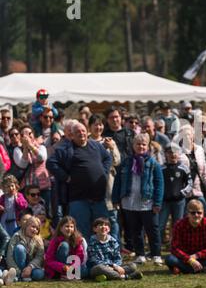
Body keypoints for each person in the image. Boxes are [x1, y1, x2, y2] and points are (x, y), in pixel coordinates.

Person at [46, 122, 112, 238]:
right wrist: (65, 177)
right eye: (77, 132)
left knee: (102, 230)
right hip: (79, 199)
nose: (81, 133)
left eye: (83, 131)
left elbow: (107, 157)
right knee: (82, 232)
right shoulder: (66, 149)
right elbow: (51, 163)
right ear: (72, 135)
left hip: (99, 199)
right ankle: (84, 256)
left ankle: (102, 255)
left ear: (87, 132)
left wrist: (104, 172)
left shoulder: (96, 146)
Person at [112, 133, 164, 265]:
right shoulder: (126, 163)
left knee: (152, 230)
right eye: (138, 144)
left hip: (148, 203)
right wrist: (116, 199)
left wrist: (157, 202)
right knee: (135, 230)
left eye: (143, 144)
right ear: (133, 145)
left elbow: (159, 184)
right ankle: (140, 254)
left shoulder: (153, 164)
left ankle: (156, 254)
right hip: (129, 202)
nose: (141, 146)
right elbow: (117, 182)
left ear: (147, 146)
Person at [165, 199, 206, 274]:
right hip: (185, 258)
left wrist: (197, 256)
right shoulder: (179, 225)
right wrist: (189, 259)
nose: (196, 215)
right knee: (170, 259)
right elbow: (174, 248)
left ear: (203, 213)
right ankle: (202, 269)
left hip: (202, 258)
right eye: (193, 213)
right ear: (187, 213)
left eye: (199, 212)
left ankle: (185, 270)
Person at [88, 114, 121, 244]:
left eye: (100, 124)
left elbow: (117, 161)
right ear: (89, 126)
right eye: (95, 124)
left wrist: (112, 148)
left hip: (109, 185)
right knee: (96, 219)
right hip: (92, 185)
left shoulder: (109, 141)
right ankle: (97, 247)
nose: (98, 127)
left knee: (112, 218)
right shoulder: (86, 142)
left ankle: (114, 246)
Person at [159, 143, 192, 242]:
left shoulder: (184, 168)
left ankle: (176, 245)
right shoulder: (161, 169)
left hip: (179, 202)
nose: (173, 155)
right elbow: (157, 184)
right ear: (165, 154)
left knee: (178, 224)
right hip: (164, 202)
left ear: (179, 154)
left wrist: (182, 193)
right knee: (161, 224)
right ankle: (158, 247)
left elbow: (190, 183)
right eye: (170, 152)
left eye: (175, 152)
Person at [14, 125, 51, 210]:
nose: (27, 136)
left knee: (46, 212)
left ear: (33, 135)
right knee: (28, 212)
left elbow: (42, 157)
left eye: (29, 133)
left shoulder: (41, 147)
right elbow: (22, 164)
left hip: (43, 187)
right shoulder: (17, 150)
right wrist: (26, 148)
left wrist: (30, 145)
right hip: (28, 189)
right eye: (24, 134)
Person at [6, 216, 45, 281]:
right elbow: (9, 255)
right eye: (33, 227)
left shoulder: (39, 240)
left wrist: (30, 267)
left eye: (37, 228)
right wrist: (18, 271)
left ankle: (22, 277)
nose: (35, 229)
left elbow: (39, 257)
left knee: (39, 274)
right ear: (26, 226)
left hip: (31, 268)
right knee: (19, 248)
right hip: (17, 267)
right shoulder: (16, 236)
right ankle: (19, 275)